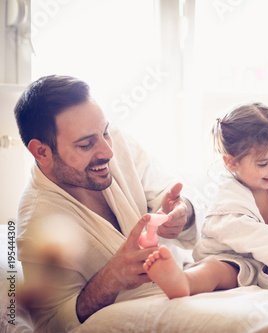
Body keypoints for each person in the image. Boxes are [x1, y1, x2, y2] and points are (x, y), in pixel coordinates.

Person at [14, 75, 200, 332]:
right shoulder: (37, 222)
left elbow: (172, 193)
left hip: (191, 283)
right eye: (86, 144)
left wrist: (182, 213)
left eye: (104, 133)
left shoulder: (117, 142)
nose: (108, 152)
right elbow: (49, 325)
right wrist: (108, 281)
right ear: (42, 152)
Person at [143, 102, 268, 298]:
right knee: (213, 270)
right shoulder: (225, 194)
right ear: (232, 162)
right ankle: (184, 281)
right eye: (263, 163)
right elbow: (248, 232)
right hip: (233, 259)